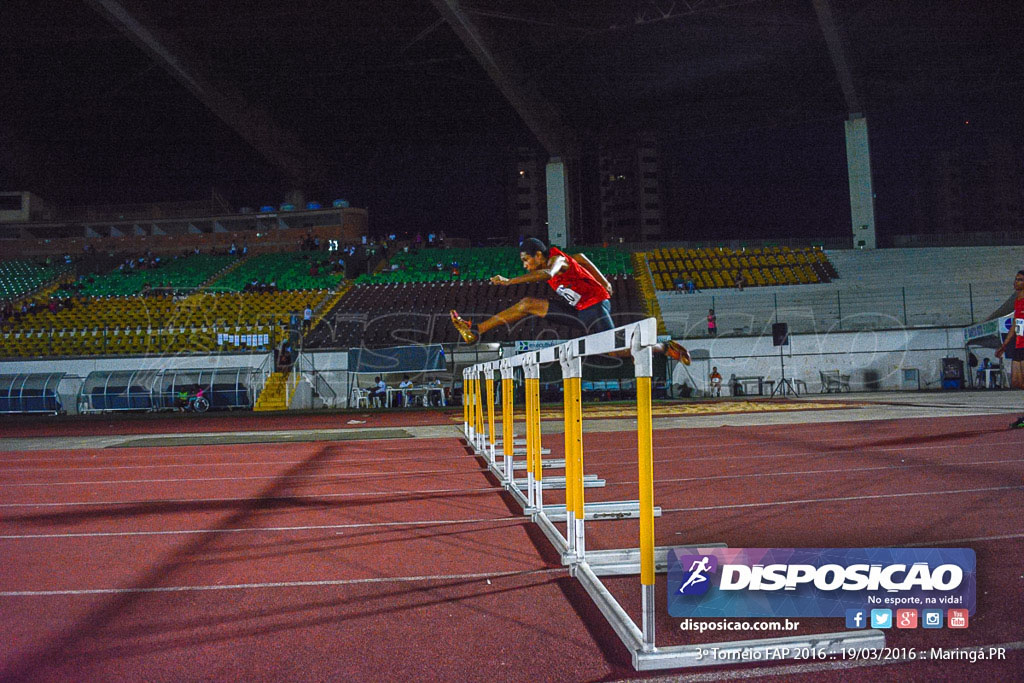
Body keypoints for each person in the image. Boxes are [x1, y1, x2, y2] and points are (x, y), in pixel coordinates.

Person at [449, 238, 690, 364]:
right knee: (526, 304)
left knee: (617, 352)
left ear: (539, 255)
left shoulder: (556, 260)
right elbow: (582, 257)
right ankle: (475, 331)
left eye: (526, 260)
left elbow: (548, 274)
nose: (525, 265)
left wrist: (510, 281)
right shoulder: (567, 258)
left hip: (594, 306)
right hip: (577, 309)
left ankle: (663, 347)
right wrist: (603, 279)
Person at [995, 269, 1024, 427]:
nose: (1016, 282)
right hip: (1018, 345)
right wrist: (1004, 346)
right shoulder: (1017, 302)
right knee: (1016, 382)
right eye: (1016, 279)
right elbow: (1014, 325)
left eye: (1019, 280)